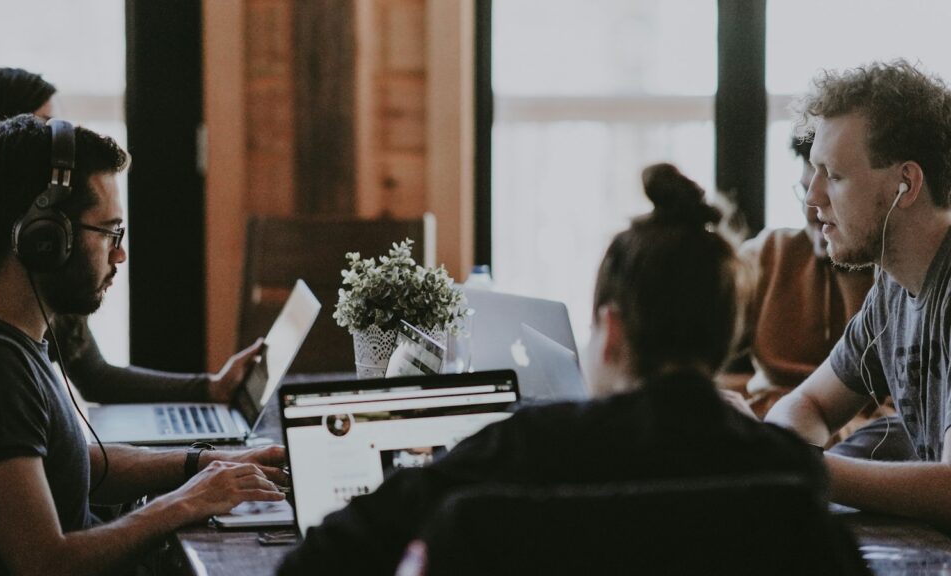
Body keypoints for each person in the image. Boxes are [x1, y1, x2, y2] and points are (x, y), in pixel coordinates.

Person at [278, 164, 827, 574]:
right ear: (726, 335)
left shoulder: (525, 448)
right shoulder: (787, 473)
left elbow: (319, 560)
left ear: (610, 332)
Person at [0, 115, 288, 574]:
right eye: (110, 232)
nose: (120, 254)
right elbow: (47, 564)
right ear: (44, 238)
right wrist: (183, 504)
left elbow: (78, 462)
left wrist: (206, 464)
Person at [0, 67, 258, 406]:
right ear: (0, 139)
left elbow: (96, 377)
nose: (62, 150)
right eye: (44, 128)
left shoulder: (52, 244)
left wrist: (211, 388)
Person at [765, 59, 951, 527]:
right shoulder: (892, 289)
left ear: (905, 184)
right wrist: (785, 453)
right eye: (814, 173)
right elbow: (807, 403)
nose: (813, 198)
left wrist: (803, 468)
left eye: (836, 175)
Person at [728, 135, 915, 460]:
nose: (812, 208)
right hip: (786, 427)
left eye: (834, 188)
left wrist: (791, 454)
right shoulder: (769, 254)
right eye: (805, 190)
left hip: (862, 443)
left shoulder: (898, 283)